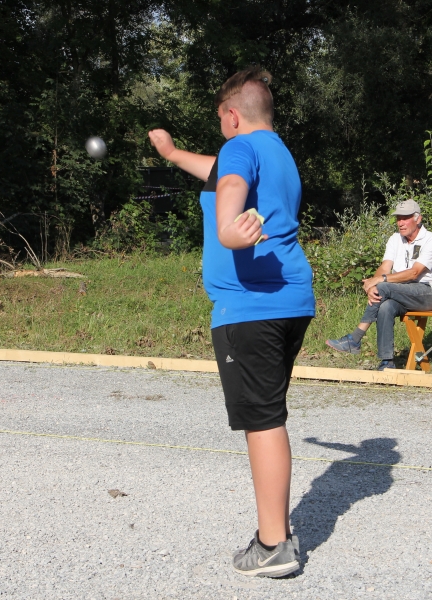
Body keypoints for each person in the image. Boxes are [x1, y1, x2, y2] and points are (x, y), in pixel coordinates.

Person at [147, 66, 314, 578]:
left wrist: (230, 230)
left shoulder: (239, 150)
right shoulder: (278, 153)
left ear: (231, 115)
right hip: (290, 302)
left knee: (262, 421)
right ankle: (277, 531)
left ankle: (273, 546)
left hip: (251, 309)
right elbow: (221, 171)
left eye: (220, 118)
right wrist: (173, 155)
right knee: (269, 414)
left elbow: (231, 185)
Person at [326, 199, 432, 370]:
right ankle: (387, 362)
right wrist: (373, 285)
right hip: (400, 292)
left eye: (405, 218)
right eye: (398, 218)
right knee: (386, 306)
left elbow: (414, 273)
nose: (400, 223)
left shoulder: (431, 240)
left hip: (427, 294)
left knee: (383, 286)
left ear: (418, 219)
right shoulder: (395, 239)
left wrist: (380, 281)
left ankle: (355, 338)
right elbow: (384, 267)